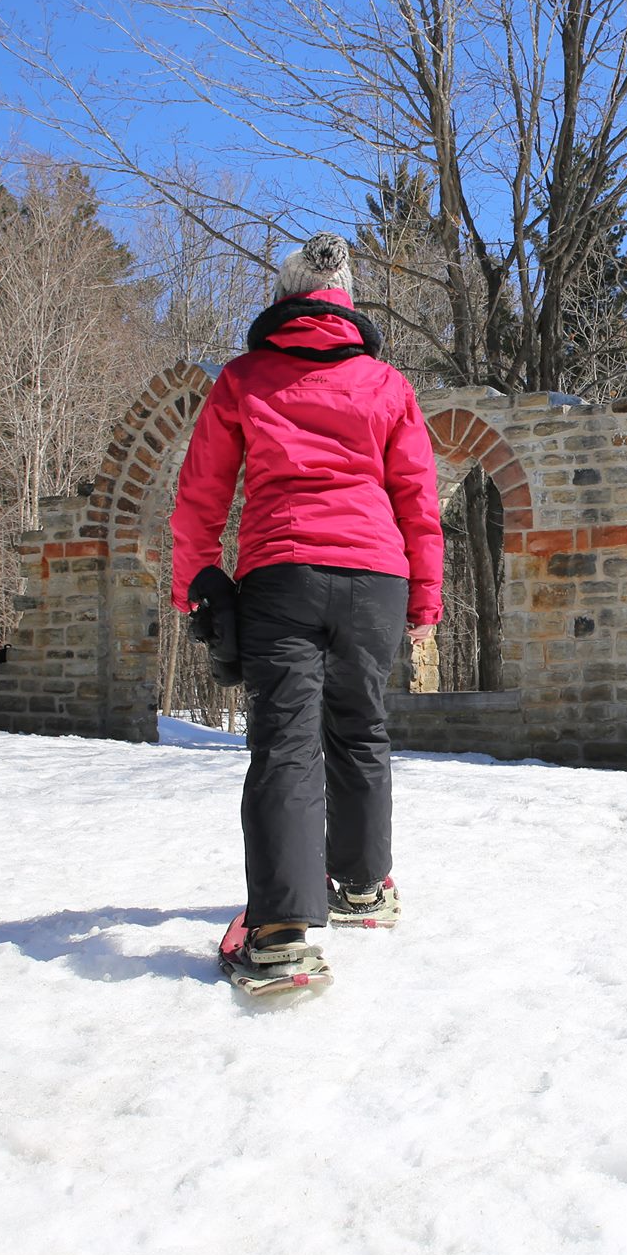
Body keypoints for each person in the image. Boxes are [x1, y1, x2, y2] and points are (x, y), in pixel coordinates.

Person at [171, 233, 443, 980]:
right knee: (361, 728)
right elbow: (418, 498)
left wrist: (195, 577)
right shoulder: (387, 385)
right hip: (375, 579)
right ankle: (361, 886)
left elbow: (201, 493)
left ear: (284, 299)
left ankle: (284, 930)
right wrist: (425, 595)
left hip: (281, 570)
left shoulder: (244, 379)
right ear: (346, 303)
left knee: (287, 740)